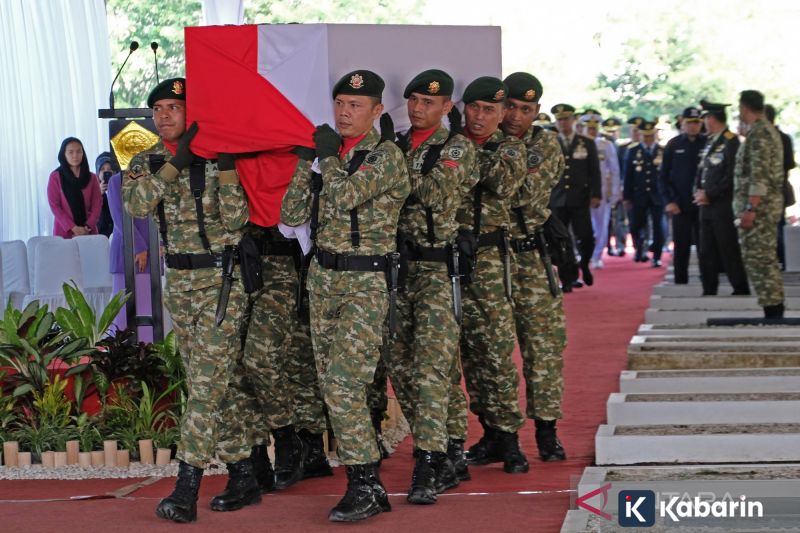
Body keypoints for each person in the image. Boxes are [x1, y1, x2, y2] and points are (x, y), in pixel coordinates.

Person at [123, 78, 259, 523]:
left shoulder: (217, 155)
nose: (164, 115)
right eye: (158, 108)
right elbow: (137, 206)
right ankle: (244, 473)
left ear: (192, 112)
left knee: (205, 383)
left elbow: (238, 219)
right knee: (218, 381)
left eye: (174, 107)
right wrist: (174, 165)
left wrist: (224, 165)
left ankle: (187, 487)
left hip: (221, 280)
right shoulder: (146, 160)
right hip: (179, 283)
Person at [281, 69, 410, 522]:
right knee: (330, 384)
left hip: (364, 283)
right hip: (324, 279)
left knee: (343, 383)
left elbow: (347, 196)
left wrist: (327, 158)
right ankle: (366, 483)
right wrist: (305, 164)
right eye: (339, 104)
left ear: (376, 111)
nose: (344, 112)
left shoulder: (386, 156)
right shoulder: (329, 157)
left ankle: (365, 484)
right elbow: (290, 214)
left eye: (355, 105)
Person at [382, 69, 477, 504]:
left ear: (446, 107)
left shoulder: (455, 147)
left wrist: (387, 169)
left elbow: (436, 191)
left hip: (438, 270)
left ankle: (431, 460)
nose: (419, 108)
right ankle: (451, 448)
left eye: (429, 102)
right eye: (414, 101)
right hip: (399, 270)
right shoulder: (398, 145)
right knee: (401, 366)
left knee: (431, 367)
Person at [455, 76, 529, 474]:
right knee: (467, 353)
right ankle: (488, 430)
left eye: (489, 110)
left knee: (496, 350)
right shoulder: (449, 144)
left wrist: (462, 153)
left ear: (501, 115)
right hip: (451, 258)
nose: (479, 116)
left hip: (488, 259)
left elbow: (502, 182)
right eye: (474, 108)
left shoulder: (510, 148)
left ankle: (509, 436)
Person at [502, 72, 568, 462]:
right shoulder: (481, 141)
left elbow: (519, 194)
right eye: (510, 106)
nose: (516, 116)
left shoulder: (545, 145)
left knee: (543, 346)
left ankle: (547, 430)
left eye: (525, 109)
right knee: (491, 352)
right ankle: (499, 433)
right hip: (491, 260)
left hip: (530, 257)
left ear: (537, 111)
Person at [733, 90, 785, 318]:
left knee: (761, 258)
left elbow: (759, 176)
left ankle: (773, 310)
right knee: (760, 258)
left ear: (744, 108)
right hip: (763, 206)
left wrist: (750, 209)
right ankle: (772, 308)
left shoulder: (760, 133)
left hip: (761, 209)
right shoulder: (762, 130)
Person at [693, 100, 749, 296]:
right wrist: (699, 192)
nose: (704, 123)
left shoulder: (730, 141)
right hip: (706, 205)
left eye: (706, 118)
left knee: (728, 247)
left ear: (712, 119)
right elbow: (703, 172)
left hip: (722, 205)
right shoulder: (710, 141)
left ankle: (739, 287)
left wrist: (710, 194)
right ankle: (709, 288)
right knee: (705, 249)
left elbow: (731, 175)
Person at [549, 103, 602, 286]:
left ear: (573, 120)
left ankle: (584, 264)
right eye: (559, 120)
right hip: (557, 199)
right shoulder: (550, 143)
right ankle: (568, 277)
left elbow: (594, 171)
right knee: (561, 240)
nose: (563, 123)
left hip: (580, 197)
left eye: (566, 119)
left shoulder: (586, 142)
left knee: (585, 237)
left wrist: (596, 194)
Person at [106, 159, 155, 341]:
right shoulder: (116, 181)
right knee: (124, 311)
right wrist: (139, 247)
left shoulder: (154, 179)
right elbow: (119, 217)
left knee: (149, 308)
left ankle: (148, 351)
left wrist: (160, 244)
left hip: (153, 251)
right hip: (126, 251)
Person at [660, 107, 706, 283]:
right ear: (682, 123)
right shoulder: (674, 144)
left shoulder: (707, 143)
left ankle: (707, 280)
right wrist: (669, 201)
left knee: (705, 246)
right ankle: (680, 280)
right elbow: (663, 176)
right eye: (689, 122)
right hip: (680, 204)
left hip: (703, 203)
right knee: (681, 245)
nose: (693, 126)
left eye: (696, 122)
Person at [581, 112, 621, 268]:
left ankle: (597, 255)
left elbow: (614, 169)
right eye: (589, 128)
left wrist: (615, 191)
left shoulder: (606, 145)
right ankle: (584, 253)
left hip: (602, 190)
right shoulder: (579, 144)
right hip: (582, 190)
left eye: (594, 128)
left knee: (601, 224)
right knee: (584, 225)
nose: (592, 131)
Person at [624, 120, 665, 266]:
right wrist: (627, 197)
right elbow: (628, 175)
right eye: (645, 136)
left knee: (658, 226)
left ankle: (657, 256)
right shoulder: (633, 151)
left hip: (658, 195)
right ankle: (640, 248)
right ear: (640, 136)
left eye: (650, 136)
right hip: (638, 195)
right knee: (636, 225)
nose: (648, 139)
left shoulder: (662, 150)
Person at [47, 137, 103, 238]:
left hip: (89, 232)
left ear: (83, 153)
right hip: (65, 232)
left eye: (78, 151)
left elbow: (97, 205)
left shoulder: (92, 177)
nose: (75, 155)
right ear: (64, 154)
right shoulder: (55, 177)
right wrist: (73, 227)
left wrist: (87, 226)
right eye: (70, 152)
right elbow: (55, 206)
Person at [764, 104, 796, 270]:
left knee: (776, 226)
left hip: (775, 189)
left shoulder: (776, 138)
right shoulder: (783, 138)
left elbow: (788, 163)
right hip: (775, 188)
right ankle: (780, 259)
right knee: (775, 225)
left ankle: (780, 257)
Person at [95, 152, 117, 237]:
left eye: (109, 169)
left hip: (117, 233)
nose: (106, 171)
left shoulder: (121, 188)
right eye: (102, 169)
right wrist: (98, 194)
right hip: (100, 235)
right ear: (98, 172)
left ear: (114, 172)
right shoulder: (93, 190)